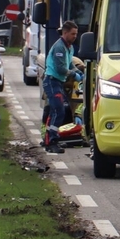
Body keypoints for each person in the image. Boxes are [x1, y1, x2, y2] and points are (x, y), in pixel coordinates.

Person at [39, 20, 81, 154]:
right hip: (52, 81)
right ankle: (52, 140)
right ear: (65, 33)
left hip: (58, 82)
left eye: (76, 34)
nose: (75, 36)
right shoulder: (59, 47)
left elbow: (69, 65)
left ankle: (49, 140)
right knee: (59, 110)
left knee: (54, 111)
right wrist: (74, 74)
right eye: (72, 34)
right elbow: (61, 68)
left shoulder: (69, 47)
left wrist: (78, 71)